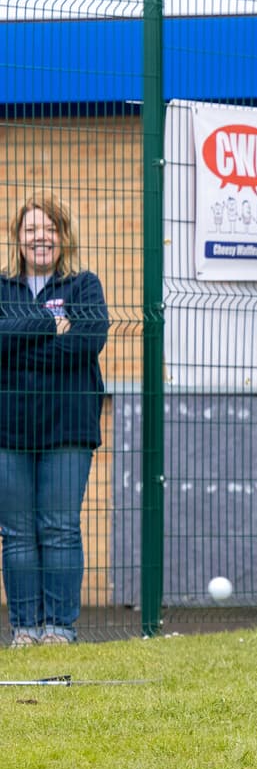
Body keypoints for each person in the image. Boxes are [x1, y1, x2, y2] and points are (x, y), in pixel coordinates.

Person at [0, 192, 108, 646]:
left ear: (64, 237)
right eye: (31, 230)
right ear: (18, 239)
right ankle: (25, 629)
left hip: (68, 426)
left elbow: (89, 341)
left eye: (49, 229)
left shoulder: (84, 285)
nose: (40, 237)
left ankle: (59, 629)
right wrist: (48, 325)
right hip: (9, 427)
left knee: (60, 527)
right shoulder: (2, 286)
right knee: (16, 531)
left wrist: (17, 343)